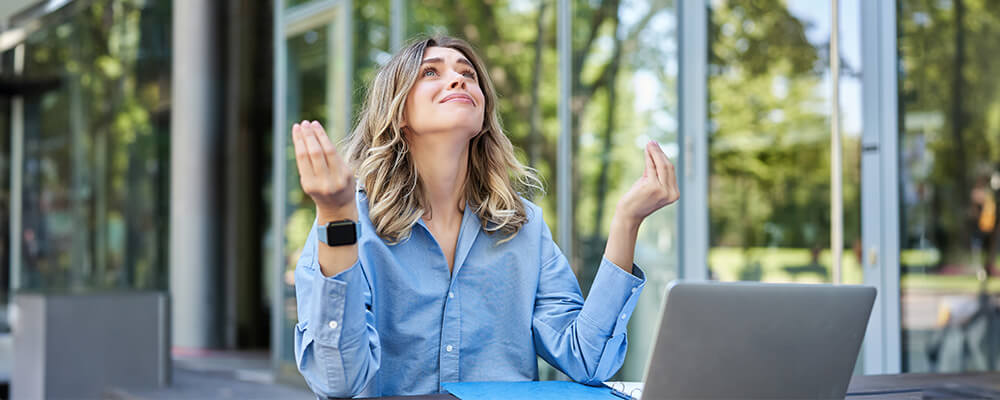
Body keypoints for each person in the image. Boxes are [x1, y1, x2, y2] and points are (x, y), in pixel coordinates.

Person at [291, 36, 678, 398]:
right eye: (431, 72)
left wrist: (626, 222)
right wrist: (335, 217)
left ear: (483, 113)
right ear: (398, 110)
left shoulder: (523, 227)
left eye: (467, 74)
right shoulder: (350, 221)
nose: (457, 80)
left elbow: (586, 359)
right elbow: (337, 381)